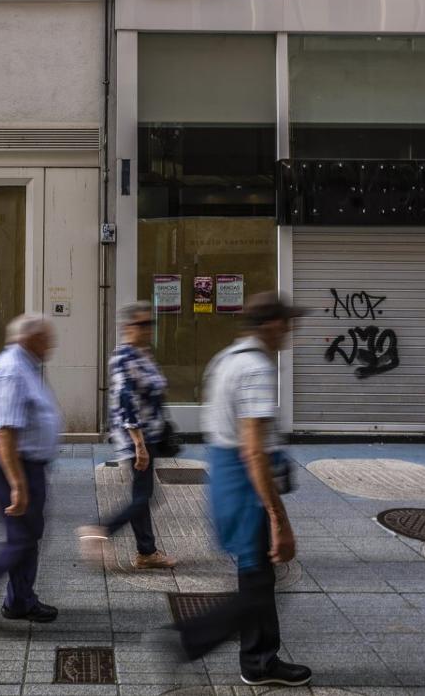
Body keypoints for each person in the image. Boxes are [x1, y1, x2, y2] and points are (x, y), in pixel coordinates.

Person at [172, 292, 312, 687]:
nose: (290, 332)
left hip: (227, 475)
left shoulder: (226, 359)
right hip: (245, 481)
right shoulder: (256, 369)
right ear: (270, 325)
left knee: (258, 577)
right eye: (287, 323)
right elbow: (253, 449)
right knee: (255, 581)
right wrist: (278, 519)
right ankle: (191, 639)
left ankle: (260, 660)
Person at [0, 314, 61, 623]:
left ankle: (20, 600)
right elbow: (5, 431)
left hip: (26, 463)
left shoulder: (25, 366)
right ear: (31, 339)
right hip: (15, 463)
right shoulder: (12, 371)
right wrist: (17, 483)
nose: (51, 344)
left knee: (28, 535)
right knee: (21, 538)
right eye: (46, 338)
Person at [77, 301, 176, 569]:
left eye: (150, 324)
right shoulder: (124, 358)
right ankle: (100, 531)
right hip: (137, 440)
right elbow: (126, 402)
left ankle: (146, 552)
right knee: (145, 496)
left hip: (150, 436)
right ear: (127, 327)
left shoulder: (142, 354)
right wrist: (139, 445)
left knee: (142, 496)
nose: (147, 329)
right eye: (142, 324)